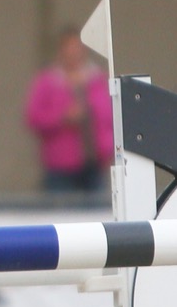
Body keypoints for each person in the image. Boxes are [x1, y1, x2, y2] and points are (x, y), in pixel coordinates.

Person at [24, 29, 113, 198]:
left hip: (95, 163)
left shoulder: (99, 80)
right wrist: (62, 117)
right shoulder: (47, 82)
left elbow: (110, 114)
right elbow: (33, 117)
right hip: (60, 167)